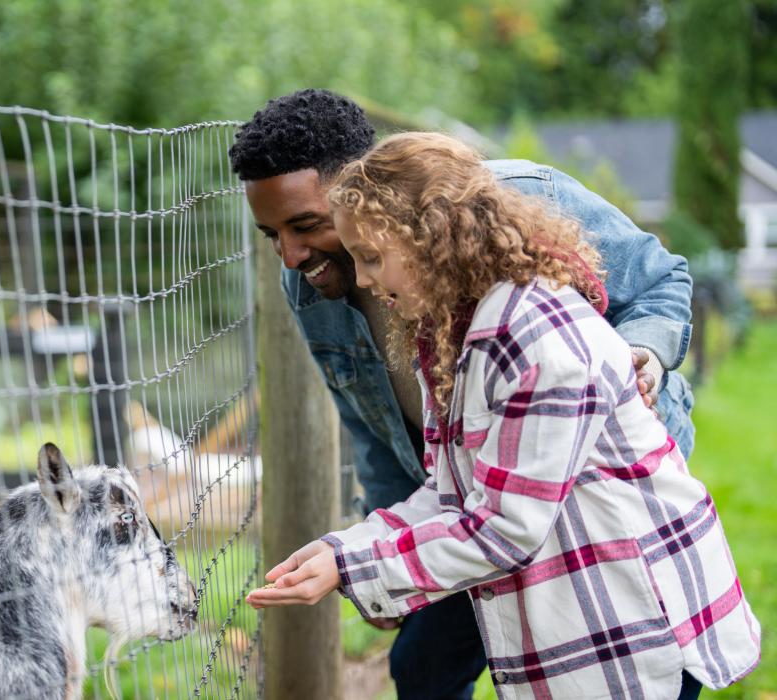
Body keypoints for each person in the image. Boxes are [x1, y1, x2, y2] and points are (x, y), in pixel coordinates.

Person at [245, 132, 760, 698]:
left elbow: (506, 527)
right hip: (567, 580)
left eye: (371, 257)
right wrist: (344, 549)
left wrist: (355, 569)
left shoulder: (536, 337)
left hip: (636, 618)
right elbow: (450, 491)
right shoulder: (449, 334)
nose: (363, 280)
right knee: (427, 663)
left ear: (431, 240)